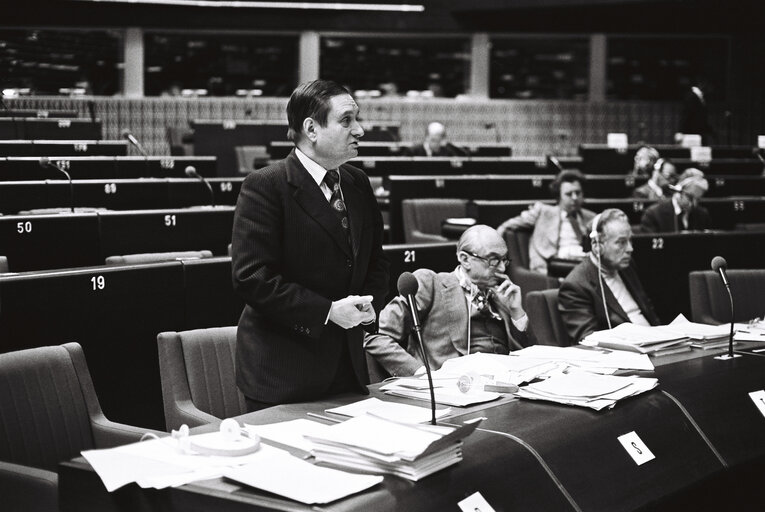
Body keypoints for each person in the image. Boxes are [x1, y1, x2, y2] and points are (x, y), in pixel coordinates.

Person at [231, 79, 390, 411]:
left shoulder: (357, 182)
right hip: (284, 372)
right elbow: (253, 278)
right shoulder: (266, 186)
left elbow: (375, 261)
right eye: (347, 120)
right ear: (311, 129)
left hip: (348, 368)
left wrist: (369, 304)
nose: (359, 130)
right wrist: (329, 312)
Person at [364, 225, 528, 377]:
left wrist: (516, 312)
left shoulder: (504, 293)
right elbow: (375, 335)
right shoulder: (432, 284)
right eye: (493, 261)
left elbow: (528, 355)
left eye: (504, 260)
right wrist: (421, 374)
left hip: (506, 384)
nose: (502, 268)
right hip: (454, 388)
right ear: (465, 259)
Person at [559, 209, 660, 343]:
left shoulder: (627, 267)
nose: (630, 249)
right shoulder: (576, 285)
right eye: (621, 242)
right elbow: (588, 339)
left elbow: (649, 312)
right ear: (597, 246)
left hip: (657, 343)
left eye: (630, 241)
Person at [497, 170, 596, 275]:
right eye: (569, 194)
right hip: (553, 265)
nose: (575, 198)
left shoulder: (590, 217)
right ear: (559, 196)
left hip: (582, 263)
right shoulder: (543, 211)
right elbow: (510, 224)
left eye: (578, 193)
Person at [640, 168, 711, 233]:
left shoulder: (702, 215)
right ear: (678, 191)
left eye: (698, 199)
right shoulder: (653, 214)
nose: (694, 204)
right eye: (690, 197)